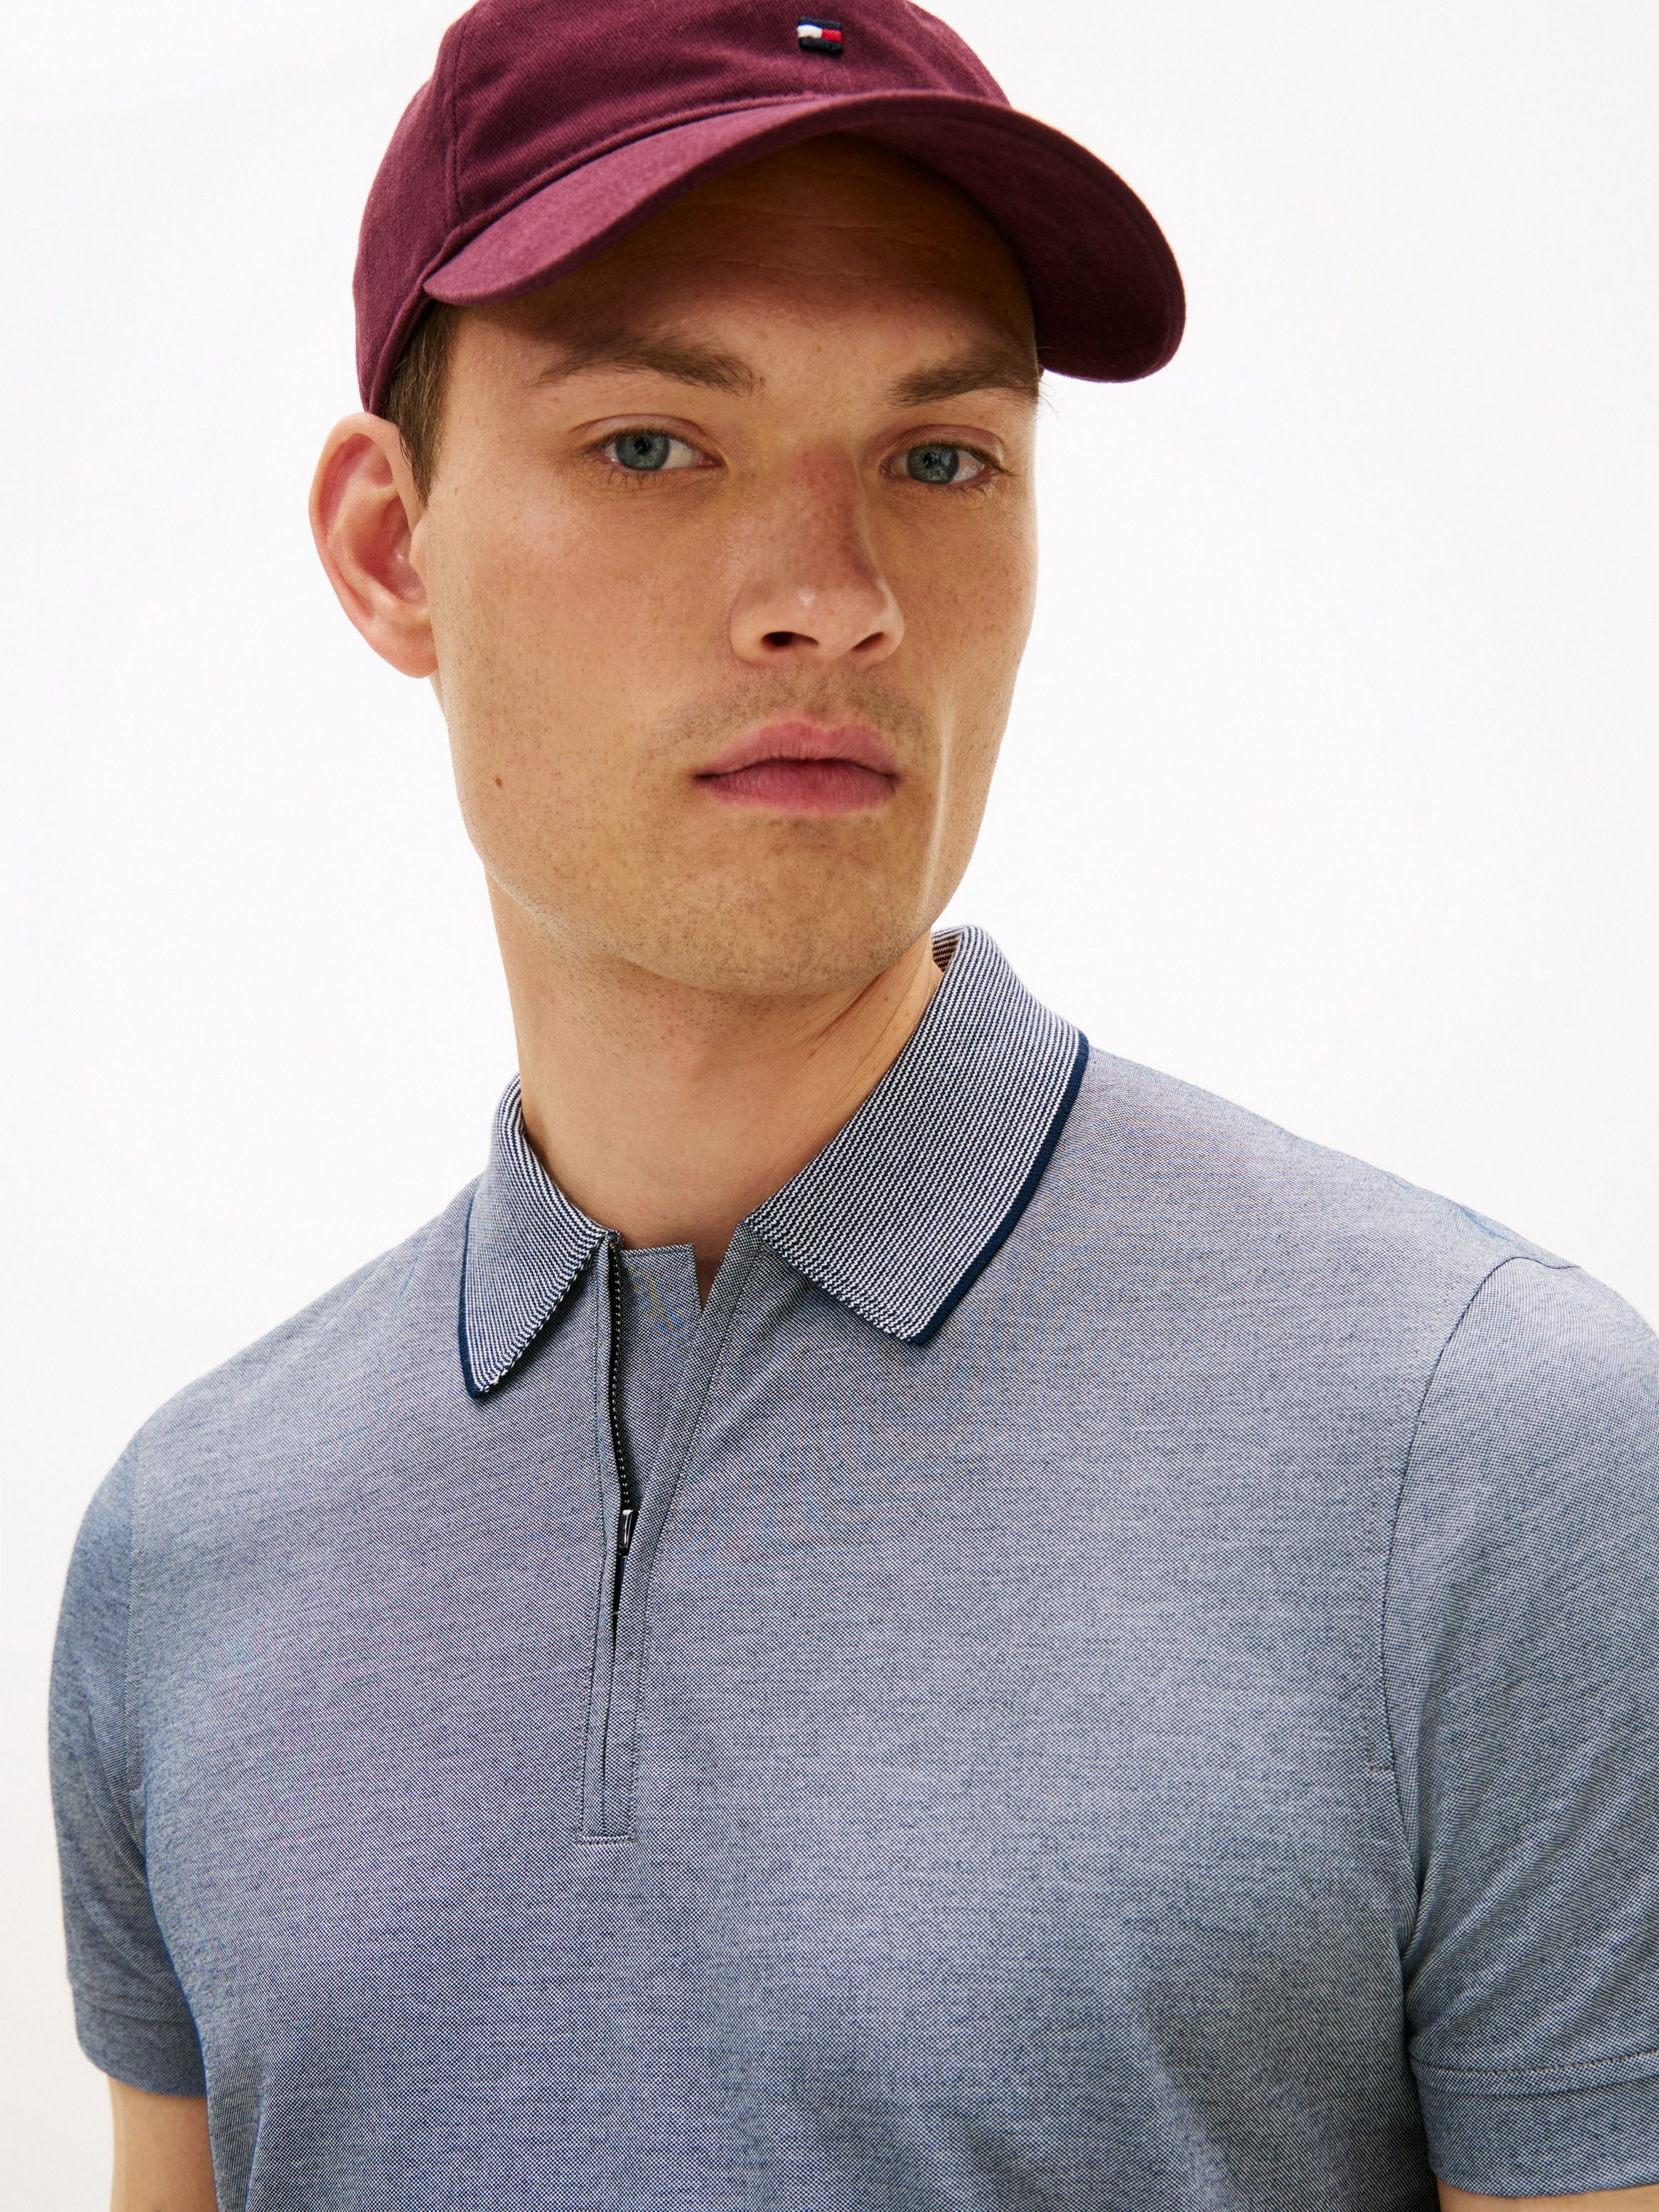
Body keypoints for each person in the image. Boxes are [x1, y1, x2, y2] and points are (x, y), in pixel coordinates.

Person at [47, 1, 1659, 2207]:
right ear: (389, 548)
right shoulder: (180, 1552)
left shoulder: (1494, 1464)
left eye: (941, 458)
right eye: (654, 444)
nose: (833, 599)